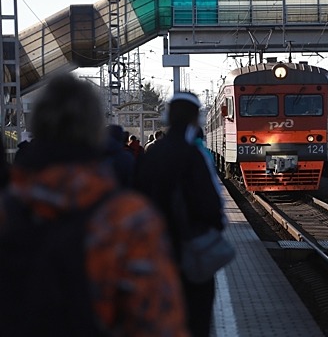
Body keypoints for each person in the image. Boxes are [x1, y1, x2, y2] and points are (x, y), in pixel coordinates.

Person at [0, 74, 189, 337]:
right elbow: (158, 323)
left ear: (38, 127)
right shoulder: (127, 221)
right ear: (94, 130)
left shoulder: (7, 211)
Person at [135, 91, 227, 337]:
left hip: (156, 254)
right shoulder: (192, 154)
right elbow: (211, 206)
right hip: (190, 253)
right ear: (195, 119)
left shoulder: (152, 154)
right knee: (195, 319)